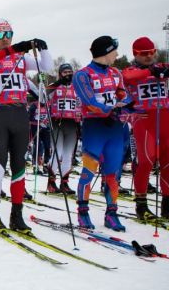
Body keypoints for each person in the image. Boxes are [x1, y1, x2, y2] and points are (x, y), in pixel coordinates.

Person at [0, 19, 51, 231]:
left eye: (8, 33)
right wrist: (13, 49)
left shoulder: (21, 59)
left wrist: (43, 47)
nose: (5, 37)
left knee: (19, 168)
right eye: (0, 35)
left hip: (19, 113)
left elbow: (46, 67)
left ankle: (16, 216)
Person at [73, 36, 130, 232]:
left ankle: (111, 214)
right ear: (106, 52)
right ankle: (83, 212)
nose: (117, 54)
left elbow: (125, 96)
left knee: (113, 174)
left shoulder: (116, 73)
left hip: (114, 128)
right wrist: (110, 109)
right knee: (89, 171)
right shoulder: (83, 74)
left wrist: (129, 106)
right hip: (95, 127)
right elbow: (88, 101)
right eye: (114, 50)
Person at [121, 36, 169, 220]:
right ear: (135, 54)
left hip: (164, 118)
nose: (149, 56)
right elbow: (127, 77)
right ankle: (141, 205)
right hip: (144, 120)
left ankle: (167, 204)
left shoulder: (161, 67)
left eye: (152, 53)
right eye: (144, 54)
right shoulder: (131, 69)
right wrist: (151, 70)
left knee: (167, 161)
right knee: (147, 160)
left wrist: (162, 70)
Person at [45, 63, 80, 194]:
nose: (68, 74)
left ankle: (64, 183)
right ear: (60, 74)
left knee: (68, 155)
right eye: (65, 72)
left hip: (72, 124)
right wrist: (58, 82)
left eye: (70, 72)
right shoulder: (55, 86)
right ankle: (51, 182)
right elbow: (43, 95)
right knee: (57, 152)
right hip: (57, 123)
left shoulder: (77, 88)